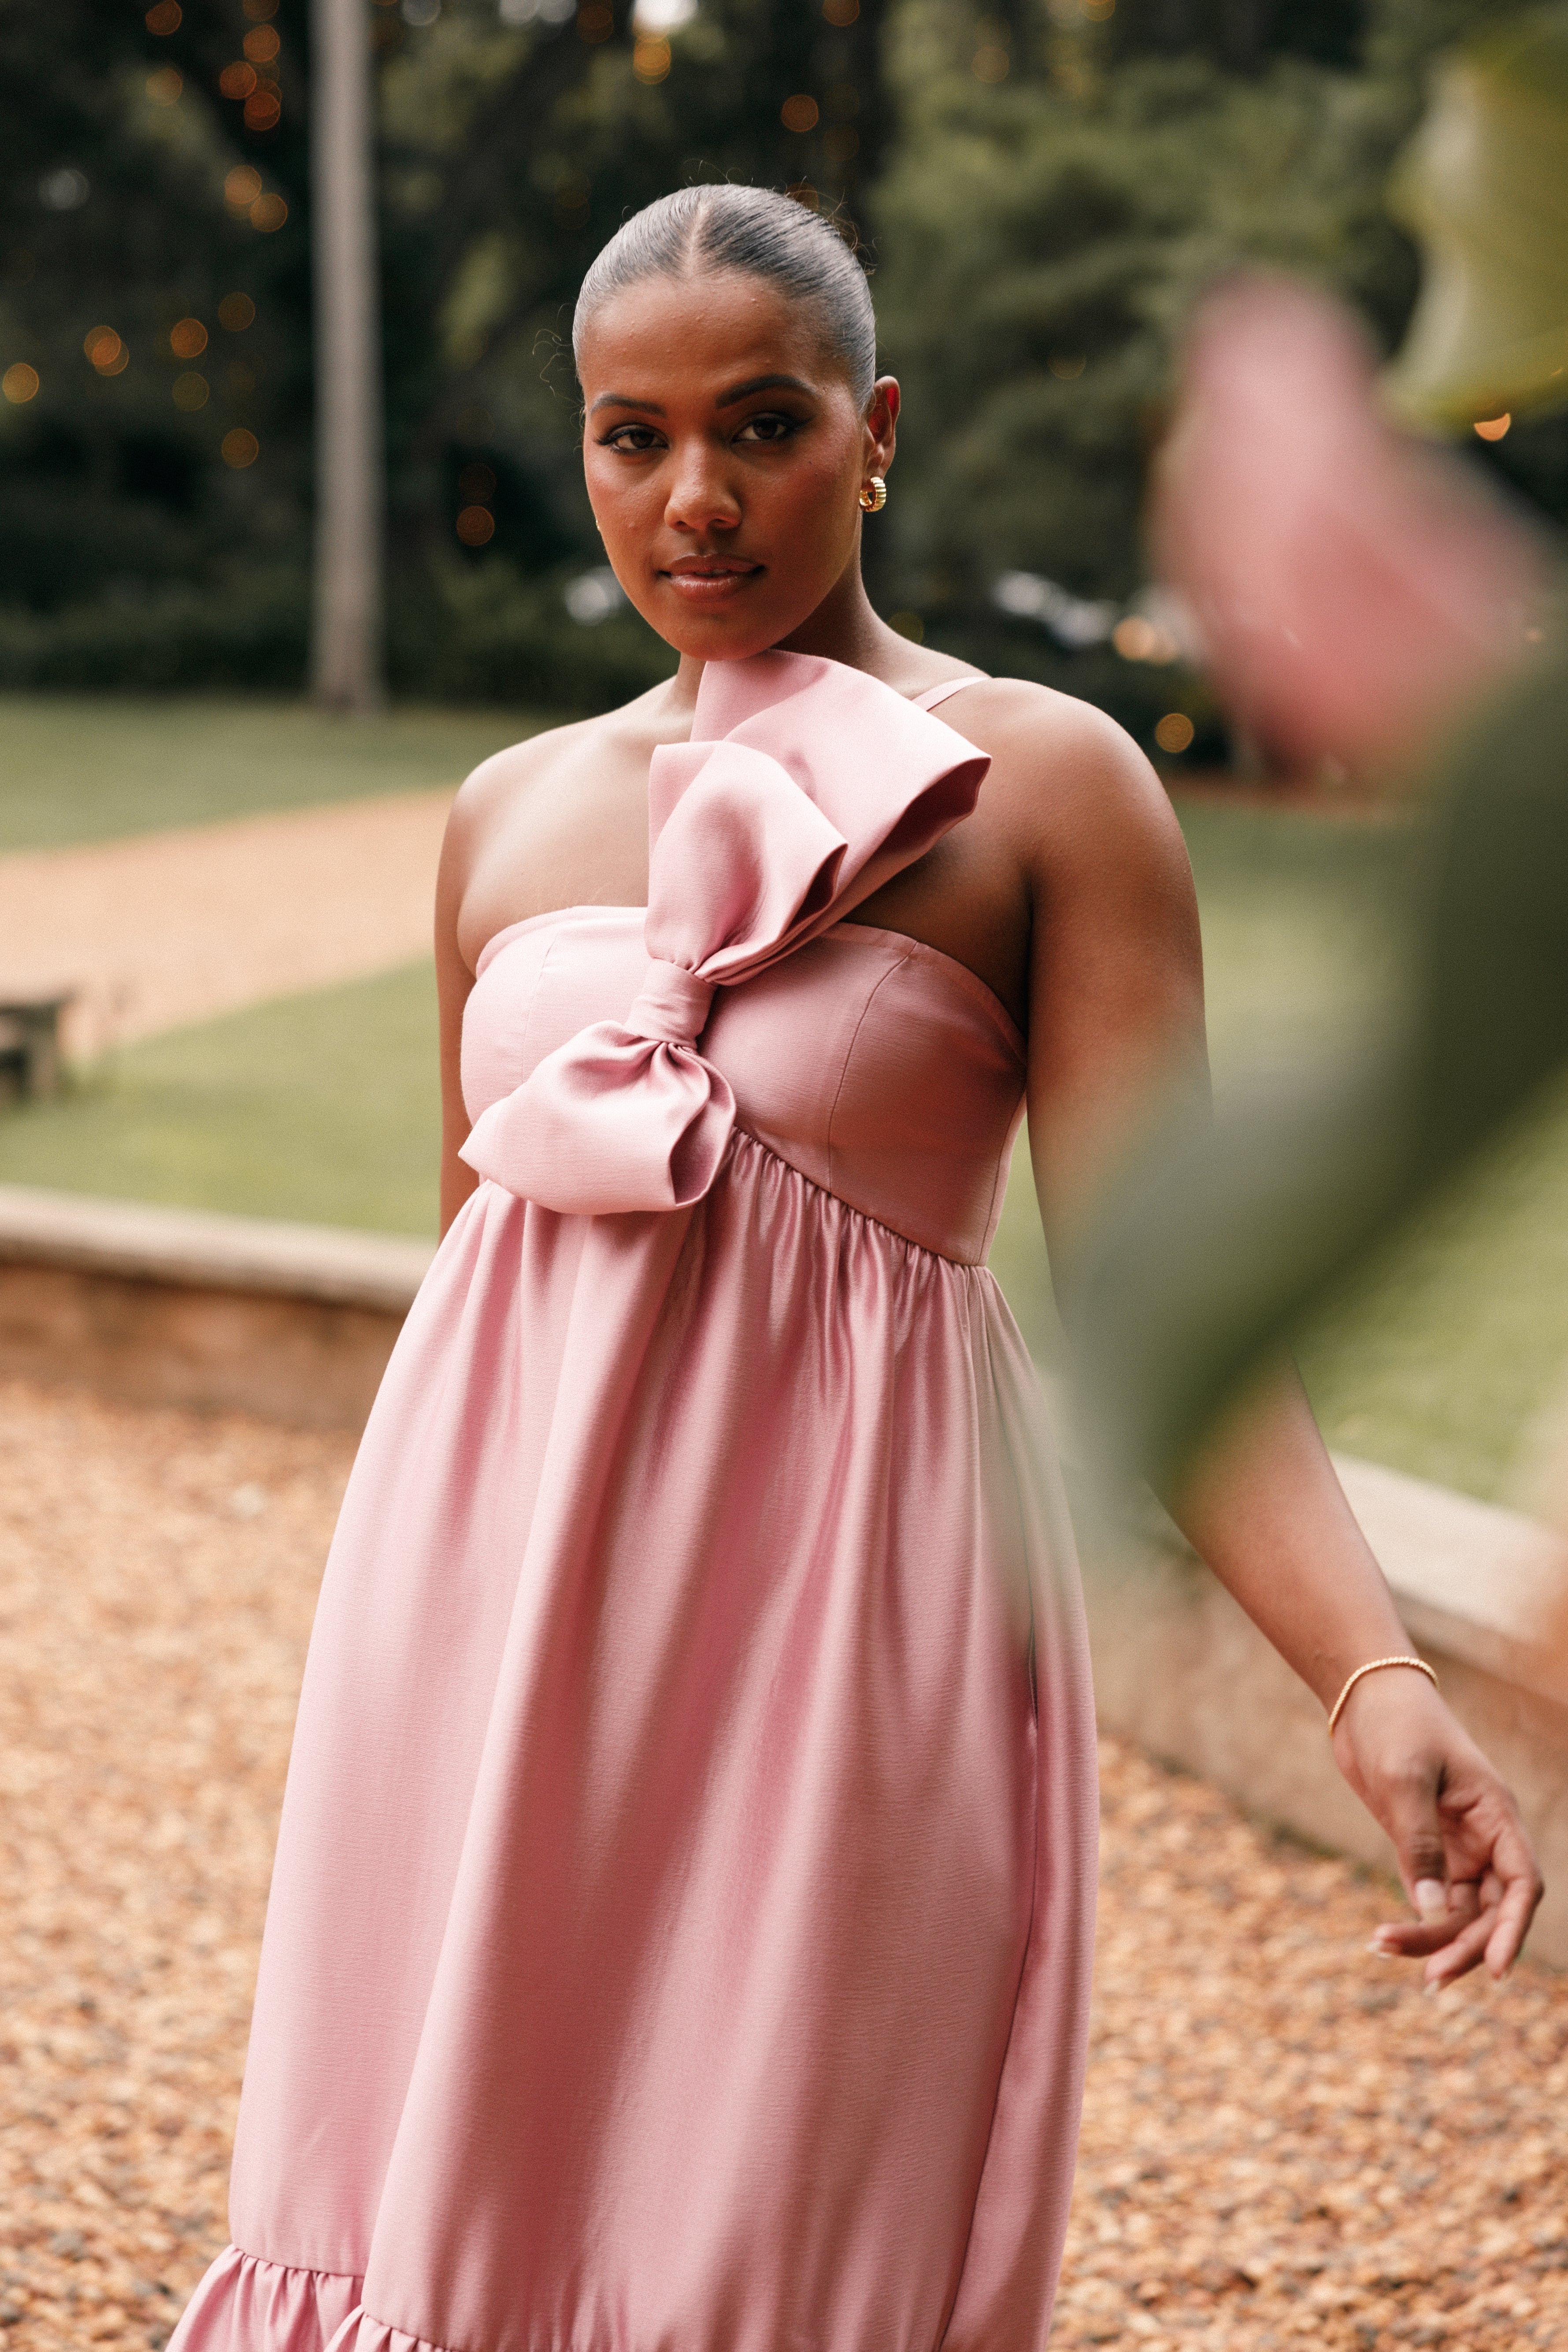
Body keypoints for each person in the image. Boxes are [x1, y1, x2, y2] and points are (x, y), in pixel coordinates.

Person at [169, 185, 1542, 2352]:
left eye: (763, 424)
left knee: (775, 2239)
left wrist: (1373, 1684)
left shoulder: (1046, 790)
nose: (694, 497)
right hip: (490, 1660)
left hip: (840, 1654)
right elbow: (475, 1322)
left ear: (875, 429)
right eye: (632, 437)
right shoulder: (502, 815)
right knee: (444, 2234)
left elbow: (1170, 1309)